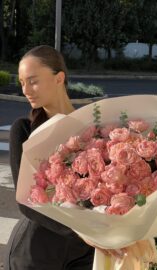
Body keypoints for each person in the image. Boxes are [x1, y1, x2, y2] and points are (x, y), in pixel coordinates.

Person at [4, 45, 95, 270]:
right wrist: (80, 232)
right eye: (22, 83)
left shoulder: (94, 130)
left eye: (33, 81)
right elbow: (26, 201)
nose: (26, 90)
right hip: (35, 252)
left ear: (59, 78)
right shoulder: (24, 130)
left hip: (84, 254)